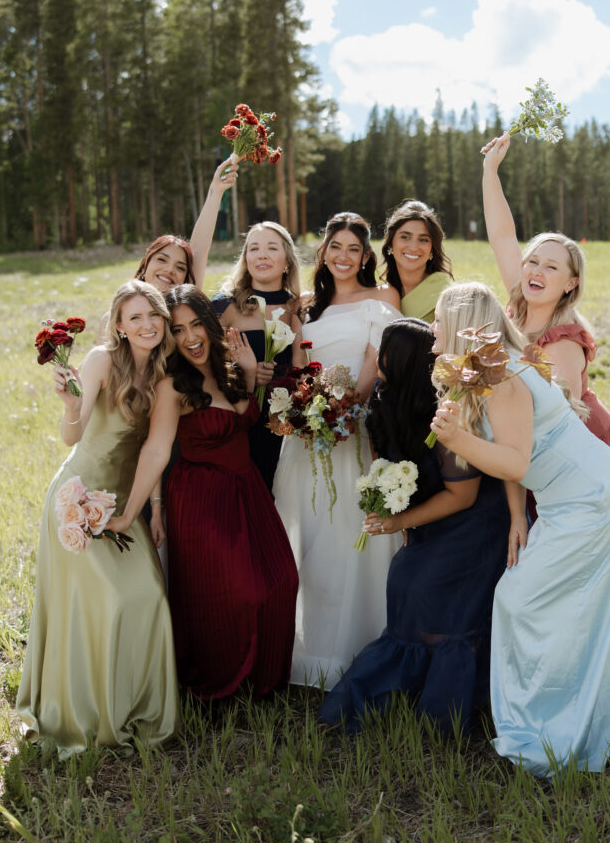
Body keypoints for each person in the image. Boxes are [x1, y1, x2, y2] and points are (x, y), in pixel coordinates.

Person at [430, 282, 610, 776]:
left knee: (519, 600)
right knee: (559, 607)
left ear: (461, 324)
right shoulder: (485, 370)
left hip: (592, 499)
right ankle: (553, 724)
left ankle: (541, 735)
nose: (433, 329)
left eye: (439, 319)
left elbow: (514, 457)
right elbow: (514, 451)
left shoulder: (501, 374)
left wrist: (457, 436)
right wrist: (516, 514)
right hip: (574, 498)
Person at [481, 131, 610, 685]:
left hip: (579, 447)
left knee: (575, 557)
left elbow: (556, 418)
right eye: (532, 261)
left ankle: (593, 660)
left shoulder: (563, 336)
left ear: (571, 283)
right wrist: (491, 174)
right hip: (534, 446)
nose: (535, 269)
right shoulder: (517, 305)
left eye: (551, 266)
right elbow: (500, 234)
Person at [318, 319, 509, 732]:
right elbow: (389, 464)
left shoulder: (446, 415)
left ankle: (448, 704)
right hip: (431, 519)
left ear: (400, 359)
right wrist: (390, 505)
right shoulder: (385, 401)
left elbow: (464, 495)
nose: (376, 357)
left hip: (476, 526)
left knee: (427, 595)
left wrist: (399, 521)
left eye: (383, 350)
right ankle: (408, 686)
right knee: (405, 588)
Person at [16, 281, 179, 758]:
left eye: (153, 314)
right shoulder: (102, 361)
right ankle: (85, 711)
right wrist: (71, 406)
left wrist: (151, 508)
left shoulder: (168, 376)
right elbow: (72, 436)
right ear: (120, 327)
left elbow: (159, 449)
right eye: (134, 318)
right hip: (78, 498)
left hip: (126, 501)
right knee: (105, 598)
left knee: (147, 595)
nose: (146, 324)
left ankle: (133, 708)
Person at [114, 284, 299, 699]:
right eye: (178, 330)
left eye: (197, 325)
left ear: (212, 325)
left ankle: (261, 684)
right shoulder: (172, 386)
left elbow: (242, 418)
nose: (191, 337)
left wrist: (250, 373)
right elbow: (157, 449)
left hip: (247, 490)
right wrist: (132, 513)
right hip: (202, 498)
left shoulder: (230, 369)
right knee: (238, 591)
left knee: (282, 579)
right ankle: (217, 686)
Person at [273, 212, 402, 688]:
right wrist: (311, 411)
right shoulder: (306, 307)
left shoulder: (382, 299)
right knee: (309, 536)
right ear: (323, 253)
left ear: (366, 256)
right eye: (335, 247)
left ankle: (358, 651)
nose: (343, 257)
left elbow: (375, 362)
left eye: (354, 249)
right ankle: (308, 654)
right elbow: (302, 364)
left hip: (354, 428)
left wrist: (347, 411)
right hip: (309, 436)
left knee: (351, 537)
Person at [96, 157, 240, 341]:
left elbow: (199, 250)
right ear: (145, 265)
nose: (170, 269)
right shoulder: (113, 321)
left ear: (185, 280)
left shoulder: (181, 313)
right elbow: (95, 366)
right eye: (162, 259)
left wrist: (216, 191)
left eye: (180, 267)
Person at [211, 222, 305, 491]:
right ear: (246, 259)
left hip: (283, 429)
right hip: (237, 425)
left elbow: (303, 366)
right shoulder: (224, 305)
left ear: (287, 259)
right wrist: (242, 370)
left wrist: (282, 376)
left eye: (271, 248)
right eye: (254, 248)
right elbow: (203, 363)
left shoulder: (297, 306)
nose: (261, 254)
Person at [382, 200, 453, 322]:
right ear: (390, 244)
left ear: (432, 249)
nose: (414, 247)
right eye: (405, 237)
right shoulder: (383, 294)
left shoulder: (446, 293)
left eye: (423, 240)